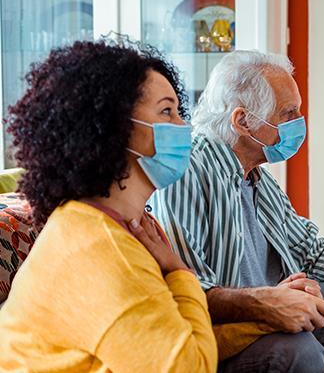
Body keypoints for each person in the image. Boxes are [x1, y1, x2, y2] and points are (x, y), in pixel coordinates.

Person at [149, 50, 324, 373]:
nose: (298, 123)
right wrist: (269, 301)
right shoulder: (189, 173)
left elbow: (308, 246)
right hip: (227, 332)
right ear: (242, 121)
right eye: (287, 112)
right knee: (299, 350)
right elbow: (189, 290)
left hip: (273, 307)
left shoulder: (256, 175)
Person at [0, 41, 217, 371]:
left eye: (179, 112)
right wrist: (180, 273)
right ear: (116, 128)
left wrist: (267, 321)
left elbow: (172, 339)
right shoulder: (101, 247)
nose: (183, 126)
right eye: (166, 111)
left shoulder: (108, 223)